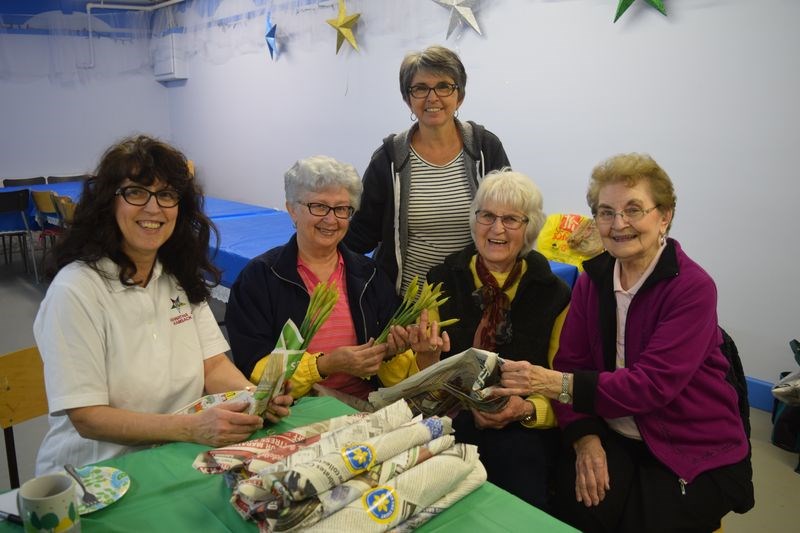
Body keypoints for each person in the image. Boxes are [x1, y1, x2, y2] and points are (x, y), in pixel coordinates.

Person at [496, 154, 754, 532]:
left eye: (634, 209)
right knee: (574, 511)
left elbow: (651, 386)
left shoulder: (693, 288)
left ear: (664, 215)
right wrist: (585, 438)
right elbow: (572, 361)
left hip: (686, 443)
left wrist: (549, 383)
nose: (619, 225)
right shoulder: (591, 281)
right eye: (606, 212)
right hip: (612, 431)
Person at [33, 135, 292, 475]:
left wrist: (254, 396)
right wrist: (190, 428)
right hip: (96, 474)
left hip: (175, 456)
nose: (153, 208)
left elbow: (212, 366)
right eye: (136, 192)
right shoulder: (77, 290)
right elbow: (87, 417)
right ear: (108, 203)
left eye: (167, 195)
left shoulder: (175, 277)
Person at [225, 155, 446, 403]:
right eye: (319, 206)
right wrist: (324, 365)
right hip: (292, 409)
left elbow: (392, 379)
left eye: (341, 209)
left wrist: (397, 352)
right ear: (292, 210)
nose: (331, 220)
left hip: (363, 407)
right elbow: (255, 372)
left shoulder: (370, 276)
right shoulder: (260, 278)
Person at [425, 169, 571, 509]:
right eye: (487, 215)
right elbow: (418, 375)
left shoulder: (554, 295)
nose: (497, 229)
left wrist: (527, 410)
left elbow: (563, 381)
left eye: (511, 219)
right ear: (474, 220)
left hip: (522, 428)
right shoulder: (441, 279)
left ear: (530, 227)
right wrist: (423, 357)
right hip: (451, 418)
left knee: (520, 489)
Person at [344, 45, 510, 294]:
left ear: (459, 95)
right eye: (420, 88)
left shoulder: (486, 148)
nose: (432, 97)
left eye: (444, 86)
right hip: (406, 306)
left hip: (475, 300)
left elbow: (510, 217)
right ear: (408, 98)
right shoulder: (388, 160)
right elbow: (362, 232)